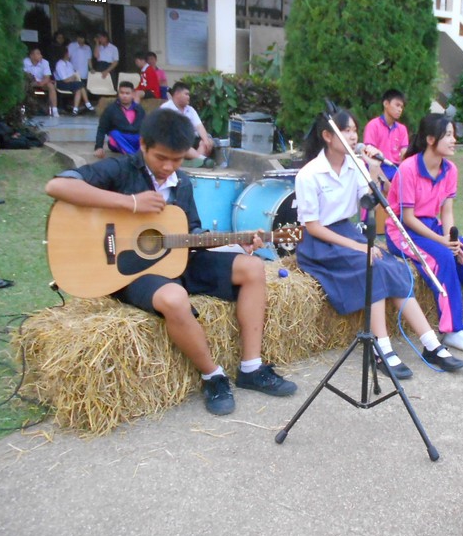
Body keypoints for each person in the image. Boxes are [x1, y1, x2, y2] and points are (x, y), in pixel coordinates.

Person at [45, 109, 296, 415]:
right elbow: (57, 186)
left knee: (253, 267)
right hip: (131, 270)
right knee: (174, 298)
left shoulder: (183, 183)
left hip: (177, 260)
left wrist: (234, 241)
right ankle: (213, 376)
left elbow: (191, 234)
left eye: (176, 160)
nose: (168, 167)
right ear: (143, 145)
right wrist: (130, 203)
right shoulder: (120, 169)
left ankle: (251, 368)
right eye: (161, 158)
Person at [294, 109, 463, 379]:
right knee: (371, 267)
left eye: (355, 130)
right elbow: (313, 227)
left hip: (347, 232)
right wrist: (359, 247)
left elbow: (372, 204)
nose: (353, 137)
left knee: (393, 266)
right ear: (328, 136)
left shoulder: (354, 166)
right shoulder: (309, 174)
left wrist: (373, 168)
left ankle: (431, 343)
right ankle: (381, 349)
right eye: (346, 131)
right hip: (320, 242)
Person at [385, 113, 463, 354]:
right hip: (402, 232)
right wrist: (442, 243)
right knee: (442, 258)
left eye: (453, 135)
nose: (454, 140)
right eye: (448, 135)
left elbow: (447, 211)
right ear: (431, 139)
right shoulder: (408, 169)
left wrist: (452, 241)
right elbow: (407, 218)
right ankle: (453, 330)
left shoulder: (450, 170)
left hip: (432, 226)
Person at [162, 81, 214, 168]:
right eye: (186, 94)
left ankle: (196, 161)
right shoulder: (165, 108)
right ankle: (202, 159)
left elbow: (199, 127)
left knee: (208, 141)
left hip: (190, 139)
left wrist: (206, 141)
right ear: (177, 94)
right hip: (174, 143)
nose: (188, 97)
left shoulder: (190, 110)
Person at [362, 89, 410, 184]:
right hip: (376, 166)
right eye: (397, 105)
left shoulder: (402, 129)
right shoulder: (373, 125)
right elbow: (370, 154)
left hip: (395, 168)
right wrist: (387, 183)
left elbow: (404, 154)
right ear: (386, 104)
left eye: (401, 107)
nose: (400, 110)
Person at [94, 81, 146, 158]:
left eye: (127, 93)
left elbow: (145, 127)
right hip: (118, 139)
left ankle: (137, 153)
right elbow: (101, 128)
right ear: (118, 93)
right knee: (114, 133)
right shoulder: (111, 109)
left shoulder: (139, 109)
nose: (124, 96)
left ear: (133, 94)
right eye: (122, 93)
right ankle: (133, 155)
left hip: (134, 138)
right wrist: (99, 147)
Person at [54, 48, 94, 115]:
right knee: (80, 85)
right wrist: (73, 78)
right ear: (65, 54)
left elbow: (73, 76)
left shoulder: (69, 64)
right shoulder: (59, 64)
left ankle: (75, 110)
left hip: (71, 82)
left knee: (78, 88)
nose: (69, 54)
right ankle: (88, 104)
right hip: (61, 83)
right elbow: (65, 80)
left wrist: (73, 78)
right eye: (68, 53)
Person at [23, 46, 58, 117]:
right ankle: (23, 109)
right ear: (31, 55)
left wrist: (41, 83)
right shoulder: (25, 62)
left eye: (40, 54)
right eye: (38, 54)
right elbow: (24, 75)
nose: (40, 55)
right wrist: (33, 82)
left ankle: (54, 110)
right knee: (23, 85)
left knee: (51, 86)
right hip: (29, 82)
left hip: (41, 82)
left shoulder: (45, 62)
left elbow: (47, 77)